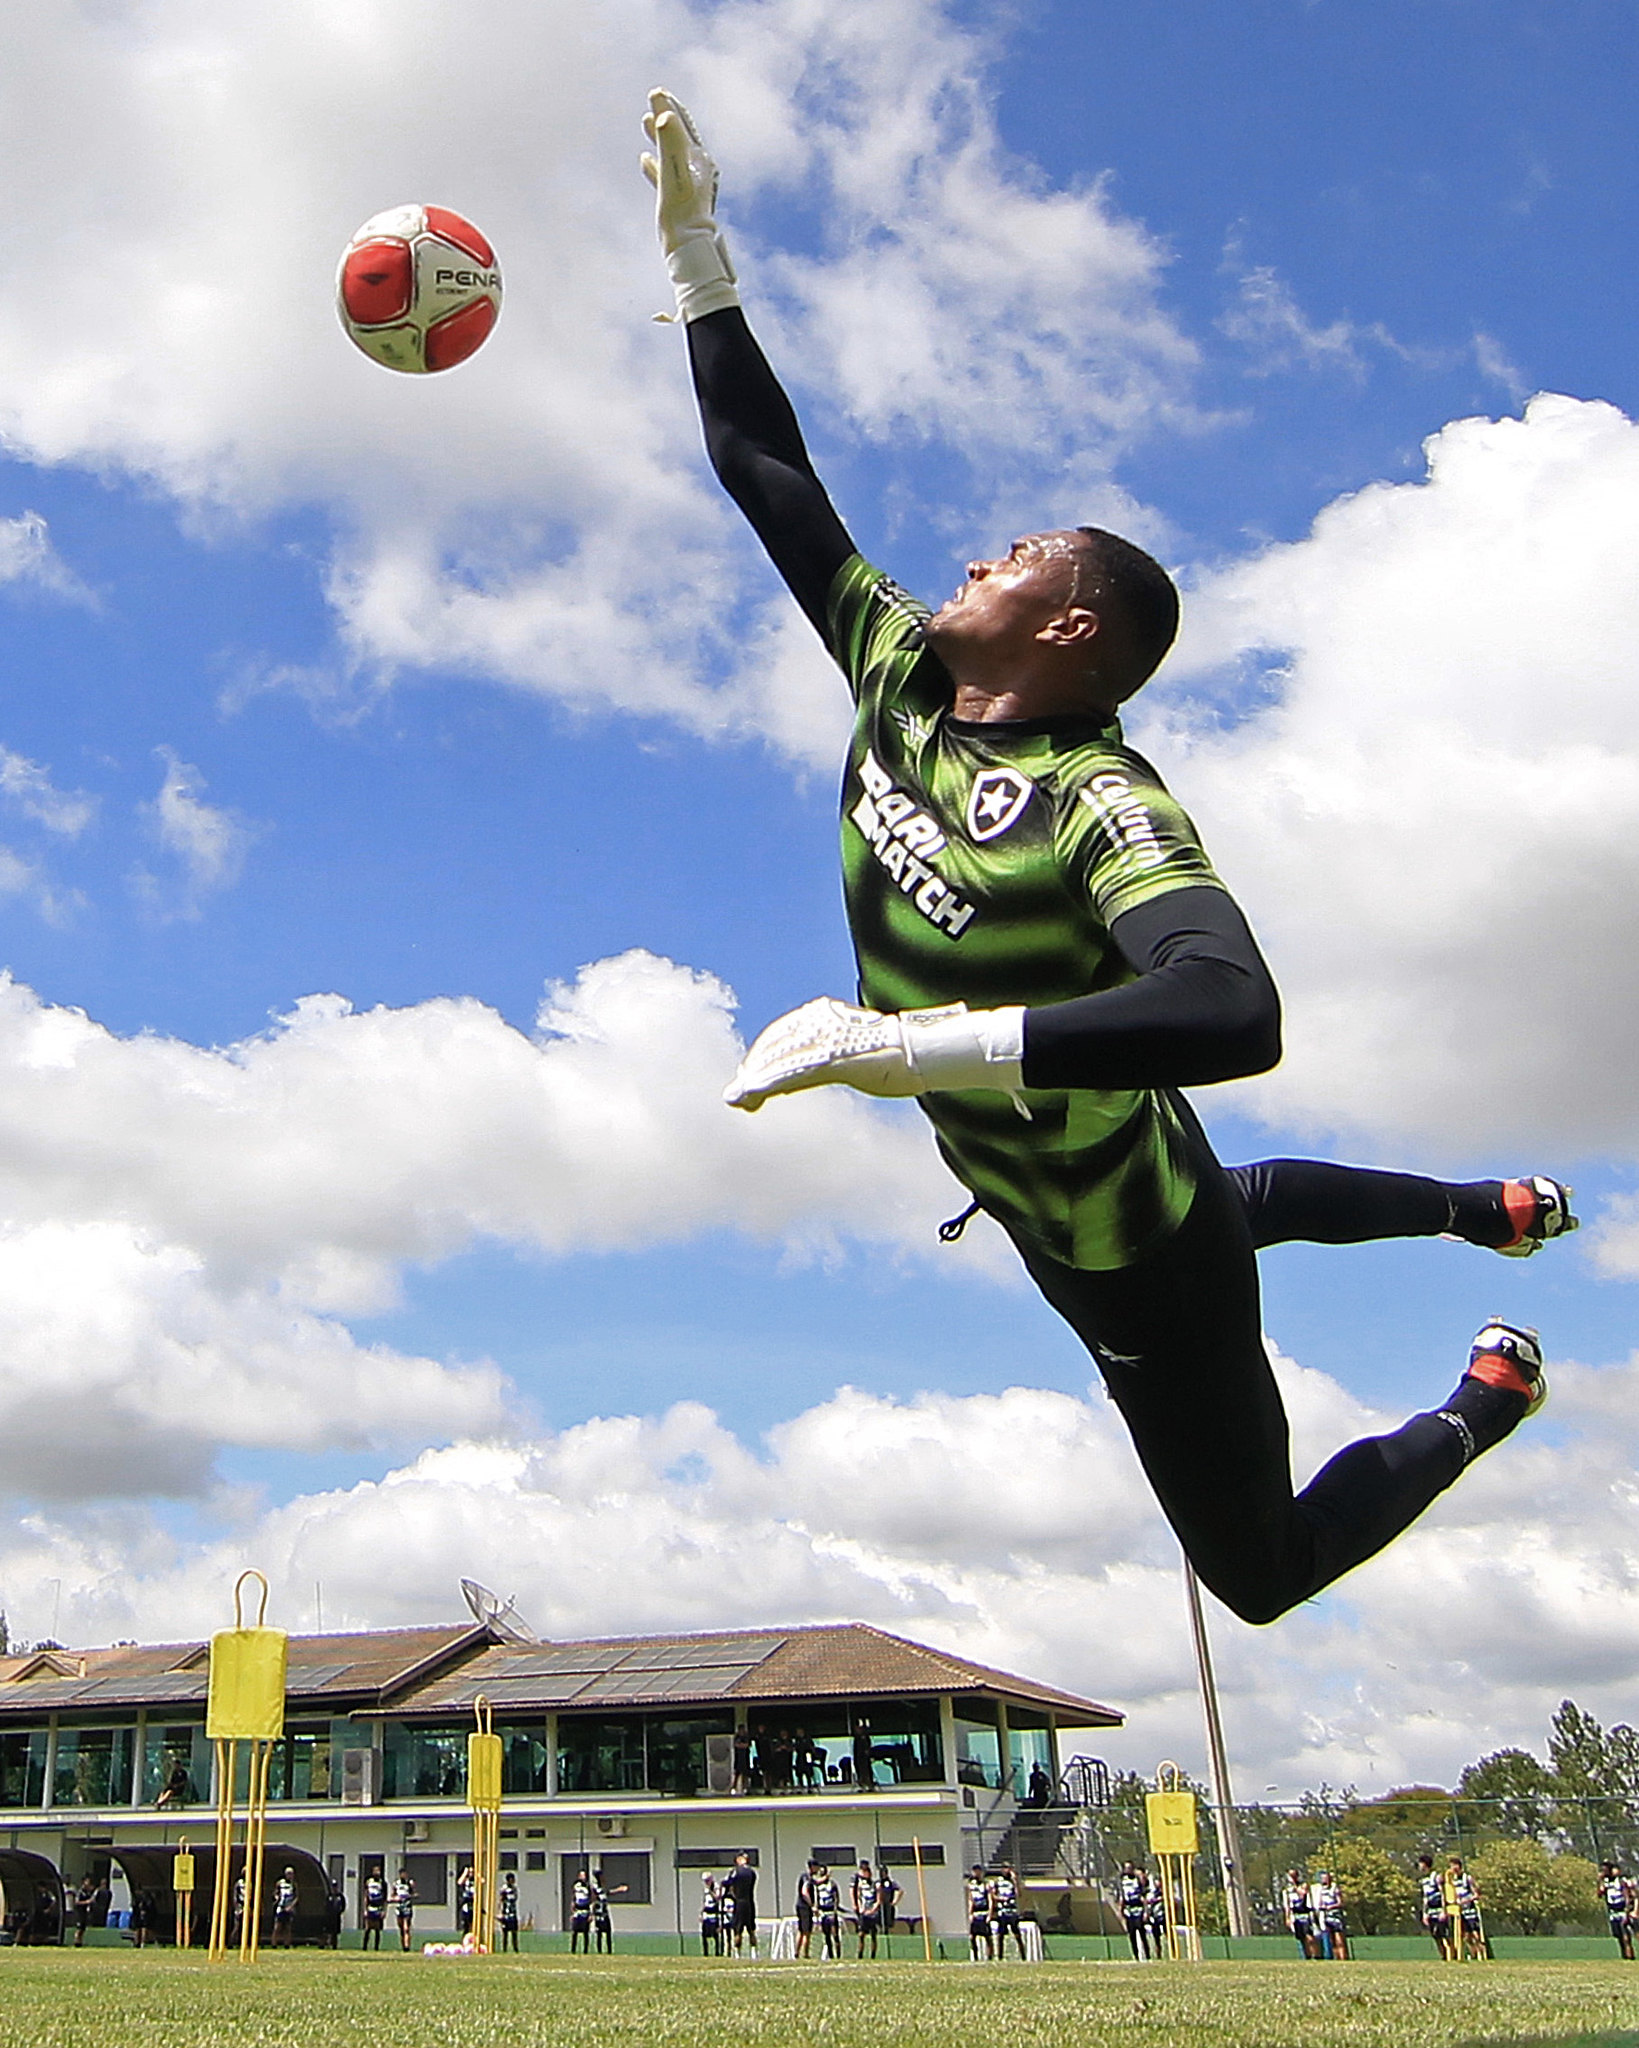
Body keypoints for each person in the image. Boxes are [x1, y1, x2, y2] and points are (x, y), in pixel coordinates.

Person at [640, 90, 1576, 1632]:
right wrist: (696, 253)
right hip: (1048, 1180)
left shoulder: (1097, 801)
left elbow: (1229, 1011)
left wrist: (910, 1049)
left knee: (1257, 1570)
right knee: (1233, 1185)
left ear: (1070, 629)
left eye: (1008, 560)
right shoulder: (899, 672)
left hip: (1138, 1266)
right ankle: (1477, 1203)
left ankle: (1486, 1398)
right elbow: (762, 464)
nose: (965, 562)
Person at [1444, 1857, 1486, 1961]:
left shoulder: (1467, 1878)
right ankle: (1473, 1954)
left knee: (1475, 1934)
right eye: (1451, 1866)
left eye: (1454, 1865)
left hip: (1470, 1910)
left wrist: (1466, 1901)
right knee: (1466, 1936)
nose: (1453, 1868)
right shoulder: (1452, 1880)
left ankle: (1482, 1954)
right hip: (1460, 1911)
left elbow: (1476, 1894)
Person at [1416, 1855, 1452, 1962]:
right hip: (1430, 1910)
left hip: (1439, 1909)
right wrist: (1425, 1913)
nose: (1419, 1866)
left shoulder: (1436, 1876)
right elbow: (1425, 1898)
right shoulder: (1423, 1880)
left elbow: (1443, 1894)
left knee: (1444, 1933)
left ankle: (1452, 1954)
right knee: (1435, 1935)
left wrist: (1443, 1910)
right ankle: (1443, 1956)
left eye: (1420, 1863)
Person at [722, 1851, 758, 1956]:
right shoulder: (752, 1872)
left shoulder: (736, 1871)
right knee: (751, 1929)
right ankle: (753, 1952)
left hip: (740, 1902)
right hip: (750, 1902)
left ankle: (737, 1953)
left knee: (738, 1929)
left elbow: (726, 1882)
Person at [990, 1862, 1026, 1960]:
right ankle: (1000, 1956)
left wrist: (1015, 1881)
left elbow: (1019, 1894)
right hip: (1002, 1911)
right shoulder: (997, 1881)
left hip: (1012, 1911)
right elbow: (993, 1895)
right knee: (1001, 1935)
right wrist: (1001, 1898)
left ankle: (1023, 1956)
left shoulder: (1013, 1881)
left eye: (1009, 1868)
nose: (1007, 1870)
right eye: (1005, 1868)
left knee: (1017, 1934)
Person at [1600, 1862, 1635, 1960]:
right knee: (1618, 1935)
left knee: (1626, 1935)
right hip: (1613, 1911)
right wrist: (1600, 1881)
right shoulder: (1606, 1881)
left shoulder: (1620, 1881)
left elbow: (1626, 1895)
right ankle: (1624, 1955)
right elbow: (1600, 1893)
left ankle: (1630, 1956)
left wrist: (1627, 1908)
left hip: (1622, 1910)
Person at [1311, 1869, 1348, 1961]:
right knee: (1331, 1939)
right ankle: (1336, 1957)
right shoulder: (1321, 1889)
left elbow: (1340, 1903)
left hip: (1335, 1915)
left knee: (1339, 1939)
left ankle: (1343, 1957)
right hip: (1326, 1916)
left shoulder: (1335, 1888)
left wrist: (1331, 1906)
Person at [1118, 1862, 1150, 1961]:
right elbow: (1122, 1896)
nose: (1128, 1870)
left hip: (1138, 1909)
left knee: (1141, 1933)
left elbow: (1143, 1895)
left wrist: (1145, 1912)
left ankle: (1147, 1955)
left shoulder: (1137, 1880)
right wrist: (1121, 1911)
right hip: (1129, 1910)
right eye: (1126, 1868)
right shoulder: (1122, 1881)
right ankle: (1135, 1956)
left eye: (1129, 1868)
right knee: (1132, 1935)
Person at [852, 1859, 882, 1959]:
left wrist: (873, 1909)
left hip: (873, 1913)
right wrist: (860, 1907)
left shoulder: (876, 1885)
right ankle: (860, 1954)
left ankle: (873, 1955)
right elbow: (858, 1896)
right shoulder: (861, 1885)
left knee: (873, 1935)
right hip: (864, 1912)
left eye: (867, 1873)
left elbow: (878, 1900)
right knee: (861, 1934)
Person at [1283, 1870, 1315, 1959]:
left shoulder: (1302, 1885)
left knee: (1309, 1937)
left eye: (1294, 1875)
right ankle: (1306, 1956)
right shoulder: (1287, 1890)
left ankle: (1315, 1955)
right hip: (1295, 1915)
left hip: (1305, 1914)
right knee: (1300, 1938)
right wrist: (1287, 1918)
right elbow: (1287, 1905)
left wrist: (1296, 1887)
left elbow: (1303, 1893)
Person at [814, 1865, 843, 1961]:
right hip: (823, 1912)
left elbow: (836, 1897)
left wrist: (835, 1909)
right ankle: (831, 1955)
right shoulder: (818, 1885)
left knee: (835, 1934)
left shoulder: (832, 1884)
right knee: (826, 1935)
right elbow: (817, 1898)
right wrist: (817, 1909)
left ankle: (838, 1955)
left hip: (831, 1911)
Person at [968, 1866, 995, 1963]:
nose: (976, 1873)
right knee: (972, 1937)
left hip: (984, 1912)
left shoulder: (986, 1885)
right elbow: (970, 1900)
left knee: (987, 1937)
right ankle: (975, 1956)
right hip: (975, 1913)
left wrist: (990, 1914)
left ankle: (990, 1957)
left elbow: (990, 1900)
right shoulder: (971, 1885)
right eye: (974, 1871)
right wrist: (970, 1913)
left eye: (978, 1871)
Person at [794, 1860, 817, 1959]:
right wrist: (812, 1905)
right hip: (804, 1907)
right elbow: (804, 1892)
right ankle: (805, 1954)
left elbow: (817, 1882)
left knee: (801, 1930)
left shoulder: (807, 1877)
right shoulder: (806, 1877)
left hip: (800, 1906)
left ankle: (797, 1952)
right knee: (806, 1931)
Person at [271, 1867, 298, 1948]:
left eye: (291, 1874)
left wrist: (291, 1906)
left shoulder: (294, 1884)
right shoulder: (280, 1883)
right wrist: (276, 1898)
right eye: (288, 1874)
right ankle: (274, 1944)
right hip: (280, 1907)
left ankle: (287, 1944)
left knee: (288, 1926)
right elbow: (275, 1893)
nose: (290, 1876)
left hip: (289, 1908)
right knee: (277, 1926)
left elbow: (296, 1897)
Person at [569, 1869, 593, 1955]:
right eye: (582, 1875)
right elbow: (573, 1898)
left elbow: (591, 1900)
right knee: (574, 1932)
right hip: (577, 1911)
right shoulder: (576, 1886)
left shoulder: (588, 1886)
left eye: (585, 1875)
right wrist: (572, 1911)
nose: (583, 1877)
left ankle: (585, 1951)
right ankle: (573, 1950)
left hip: (585, 1911)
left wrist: (591, 1914)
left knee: (585, 1932)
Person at [361, 1868, 386, 1951]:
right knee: (368, 1928)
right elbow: (365, 1896)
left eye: (378, 1871)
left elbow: (384, 1898)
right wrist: (365, 1909)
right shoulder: (369, 1881)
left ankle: (376, 1947)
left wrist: (384, 1910)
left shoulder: (382, 1882)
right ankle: (364, 1946)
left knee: (377, 1929)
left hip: (378, 1907)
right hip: (370, 1907)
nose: (377, 1873)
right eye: (375, 1871)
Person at [699, 1873, 723, 1957]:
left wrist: (710, 1891)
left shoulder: (715, 1887)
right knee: (704, 1934)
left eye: (707, 1880)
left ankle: (717, 1952)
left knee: (715, 1935)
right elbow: (704, 1902)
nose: (706, 1883)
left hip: (714, 1913)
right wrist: (701, 1913)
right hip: (706, 1913)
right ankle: (705, 1953)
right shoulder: (705, 1889)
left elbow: (717, 1898)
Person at [393, 1868, 416, 1951]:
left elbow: (414, 1894)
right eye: (401, 1874)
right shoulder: (396, 1884)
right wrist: (395, 1898)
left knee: (406, 1928)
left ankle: (407, 1946)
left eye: (404, 1874)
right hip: (399, 1907)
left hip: (407, 1906)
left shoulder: (409, 1883)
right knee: (401, 1927)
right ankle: (403, 1945)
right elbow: (393, 1895)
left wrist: (409, 1896)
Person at [72, 1874, 98, 1948]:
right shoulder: (80, 1892)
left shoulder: (88, 1892)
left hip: (84, 1912)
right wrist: (87, 1902)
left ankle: (80, 1942)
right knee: (79, 1928)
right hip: (79, 1912)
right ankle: (76, 1941)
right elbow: (76, 1902)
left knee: (83, 1929)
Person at [499, 1872, 521, 1953]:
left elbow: (515, 1899)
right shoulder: (504, 1889)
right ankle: (504, 1949)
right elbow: (501, 1901)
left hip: (513, 1914)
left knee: (514, 1933)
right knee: (505, 1933)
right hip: (506, 1914)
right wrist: (501, 1913)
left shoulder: (514, 1889)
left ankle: (516, 1949)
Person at [851, 1717, 875, 1792]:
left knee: (865, 1770)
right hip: (858, 1757)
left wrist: (867, 1752)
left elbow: (867, 1746)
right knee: (860, 1769)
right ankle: (862, 1785)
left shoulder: (864, 1737)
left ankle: (868, 1784)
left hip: (864, 1757)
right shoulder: (857, 1738)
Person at [321, 1883, 345, 1950]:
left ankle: (334, 1945)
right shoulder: (329, 1896)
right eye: (333, 1887)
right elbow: (326, 1905)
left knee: (335, 1932)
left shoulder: (340, 1896)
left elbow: (343, 1906)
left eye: (335, 1887)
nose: (334, 1889)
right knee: (327, 1931)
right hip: (329, 1916)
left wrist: (339, 1912)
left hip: (336, 1916)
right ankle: (324, 1944)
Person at [456, 1865, 475, 1940]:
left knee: (473, 1925)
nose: (471, 1874)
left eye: (472, 1872)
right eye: (470, 1872)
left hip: (473, 1905)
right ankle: (465, 1940)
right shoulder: (466, 1880)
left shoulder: (475, 1880)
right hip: (466, 1905)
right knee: (466, 1926)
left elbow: (483, 1881)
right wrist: (465, 1873)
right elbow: (459, 1882)